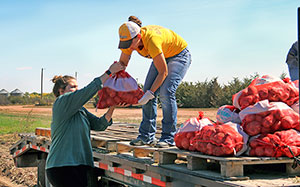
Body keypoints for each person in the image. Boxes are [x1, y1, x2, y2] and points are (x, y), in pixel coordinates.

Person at [45, 62, 124, 187]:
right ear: (61, 91)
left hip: (79, 166)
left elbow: (99, 125)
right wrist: (109, 72)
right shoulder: (61, 103)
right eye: (73, 87)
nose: (77, 90)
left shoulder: (81, 110)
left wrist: (113, 106)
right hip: (63, 167)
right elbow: (88, 91)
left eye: (77, 87)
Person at [117, 16, 191, 148]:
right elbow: (122, 65)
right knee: (146, 92)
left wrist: (151, 93)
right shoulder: (129, 40)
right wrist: (117, 84)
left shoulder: (152, 40)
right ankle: (146, 137)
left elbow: (163, 72)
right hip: (162, 55)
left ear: (138, 37)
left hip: (179, 55)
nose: (129, 48)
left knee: (166, 92)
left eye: (130, 44)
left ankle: (169, 137)